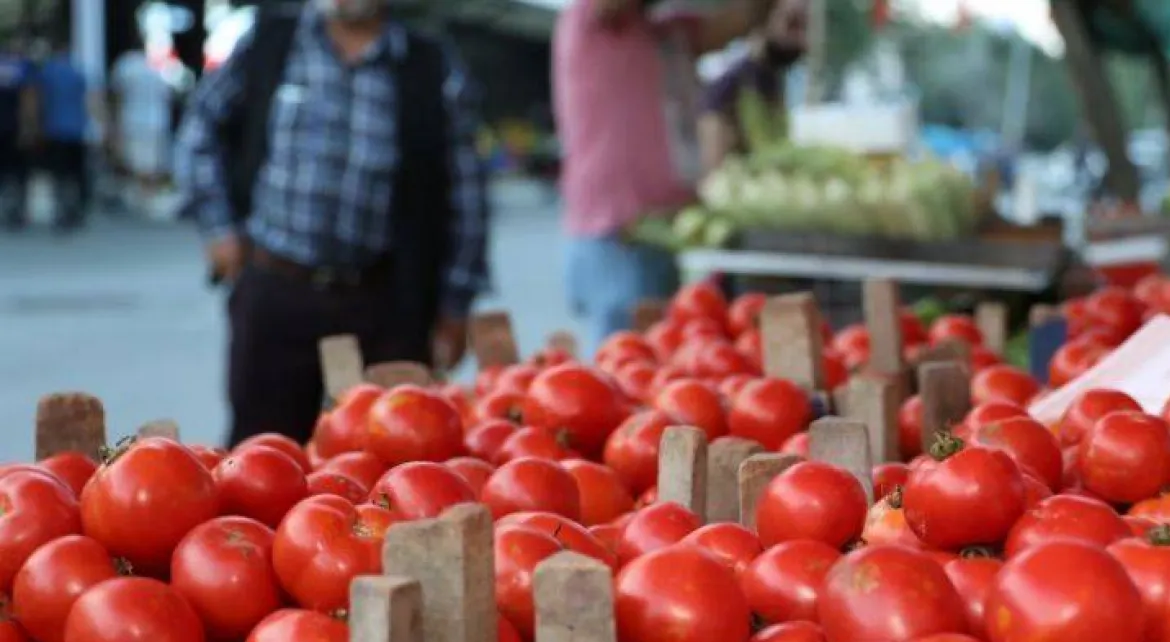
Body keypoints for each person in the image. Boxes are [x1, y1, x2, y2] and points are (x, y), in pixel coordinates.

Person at [176, 0, 491, 447]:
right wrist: (217, 227)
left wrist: (456, 304)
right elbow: (199, 130)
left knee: (389, 463)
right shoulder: (271, 41)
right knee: (260, 460)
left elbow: (467, 192)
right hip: (276, 291)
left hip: (386, 301)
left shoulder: (431, 64)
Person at [554, 0, 768, 355]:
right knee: (626, 369)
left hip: (668, 231)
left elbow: (742, 17)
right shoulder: (593, 18)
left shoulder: (668, 31)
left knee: (665, 368)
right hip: (621, 234)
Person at [698, 0, 807, 174]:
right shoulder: (728, 88)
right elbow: (714, 170)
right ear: (763, 20)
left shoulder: (774, 84)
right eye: (792, 24)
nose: (801, 39)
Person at [110, 38, 175, 203]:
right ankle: (148, 195)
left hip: (133, 119)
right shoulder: (156, 67)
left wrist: (114, 124)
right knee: (151, 162)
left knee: (136, 161)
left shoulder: (126, 65)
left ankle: (142, 197)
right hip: (157, 120)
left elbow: (118, 96)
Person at [35, 41, 90, 229]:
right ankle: (76, 209)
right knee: (76, 174)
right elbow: (88, 100)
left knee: (59, 174)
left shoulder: (47, 73)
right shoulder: (77, 73)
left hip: (54, 130)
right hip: (76, 130)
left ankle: (61, 209)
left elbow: (38, 101)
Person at [0, 34, 37, 229]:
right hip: (15, 128)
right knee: (19, 173)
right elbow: (28, 100)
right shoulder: (23, 68)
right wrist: (29, 128)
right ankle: (17, 210)